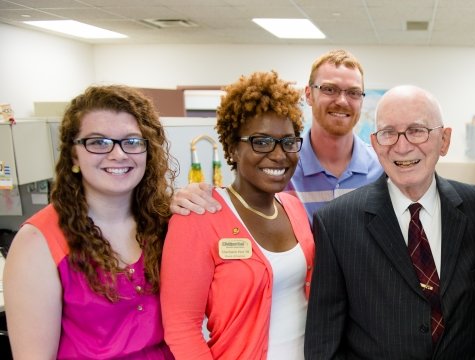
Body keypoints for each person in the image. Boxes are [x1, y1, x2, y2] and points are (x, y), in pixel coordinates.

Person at [304, 85, 475, 359]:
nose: (402, 146)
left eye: (417, 130)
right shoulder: (335, 223)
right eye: (388, 133)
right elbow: (323, 343)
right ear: (374, 143)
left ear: (444, 140)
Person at [3, 85, 175, 359]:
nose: (118, 154)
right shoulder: (38, 242)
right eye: (98, 142)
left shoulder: (165, 224)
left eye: (132, 141)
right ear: (74, 154)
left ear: (147, 151)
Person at [159, 71, 314, 359]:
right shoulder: (199, 216)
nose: (279, 155)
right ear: (232, 147)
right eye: (261, 142)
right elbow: (182, 328)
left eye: (288, 142)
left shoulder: (294, 208)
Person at [170, 49, 383, 219]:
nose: (342, 101)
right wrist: (185, 197)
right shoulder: (281, 168)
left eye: (353, 92)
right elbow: (241, 200)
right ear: (309, 94)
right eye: (329, 89)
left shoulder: (382, 169)